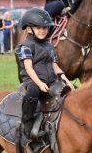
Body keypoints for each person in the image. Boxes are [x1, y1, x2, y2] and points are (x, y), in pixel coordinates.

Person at [15, 8, 74, 137]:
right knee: (33, 92)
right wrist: (39, 83)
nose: (42, 31)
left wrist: (68, 82)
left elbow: (55, 66)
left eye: (45, 28)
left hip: (51, 80)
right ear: (29, 29)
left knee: (70, 92)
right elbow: (29, 68)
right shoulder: (26, 46)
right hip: (33, 81)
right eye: (38, 28)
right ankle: (27, 124)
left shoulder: (49, 46)